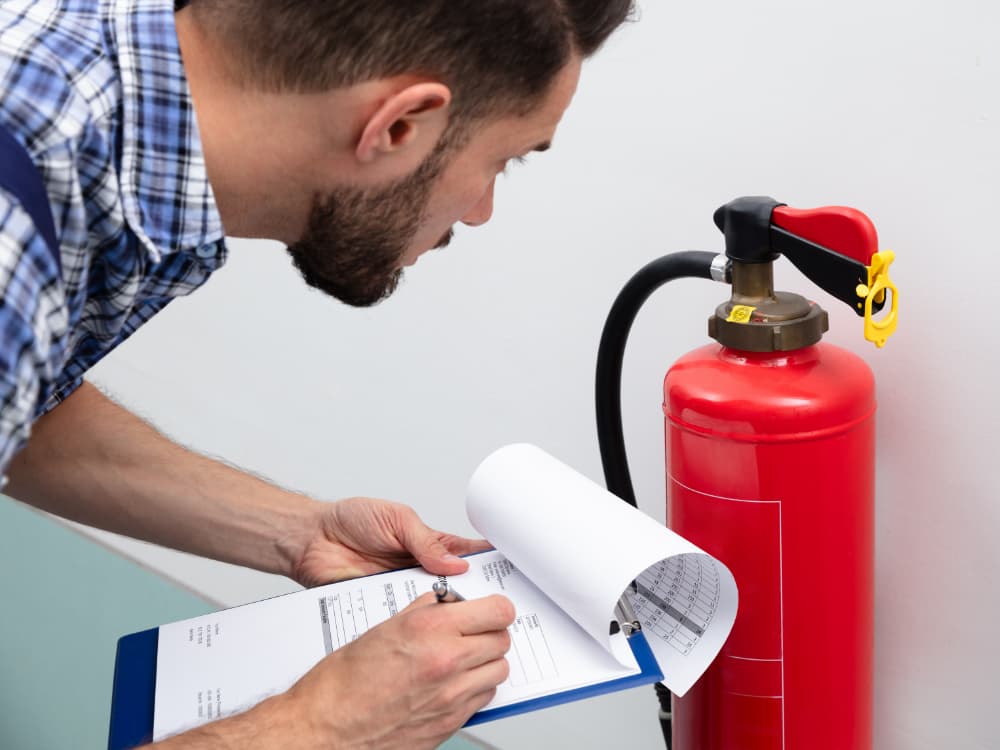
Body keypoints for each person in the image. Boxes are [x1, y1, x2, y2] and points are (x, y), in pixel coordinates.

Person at [0, 0, 634, 747]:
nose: (483, 209)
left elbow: (23, 406)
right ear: (399, 126)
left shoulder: (84, 72)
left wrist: (299, 532)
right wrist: (324, 726)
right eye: (504, 159)